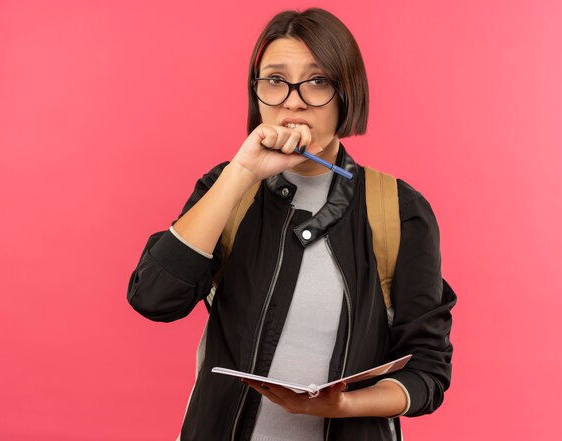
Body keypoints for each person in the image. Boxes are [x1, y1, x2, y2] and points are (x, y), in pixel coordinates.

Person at [127, 7, 456, 441]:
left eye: (317, 81)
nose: (294, 99)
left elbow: (427, 369)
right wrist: (242, 171)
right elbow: (153, 298)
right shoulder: (227, 187)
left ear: (347, 93)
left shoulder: (401, 210)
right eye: (275, 81)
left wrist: (344, 405)